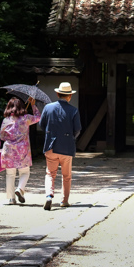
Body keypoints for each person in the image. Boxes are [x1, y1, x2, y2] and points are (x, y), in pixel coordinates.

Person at [39, 82, 81, 210]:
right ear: (69, 96)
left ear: (57, 94)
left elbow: (42, 124)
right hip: (67, 147)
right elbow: (77, 129)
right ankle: (64, 201)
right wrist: (70, 138)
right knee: (66, 175)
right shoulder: (73, 110)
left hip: (51, 145)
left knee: (50, 173)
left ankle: (48, 196)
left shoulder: (48, 108)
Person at [0, 97, 41, 205]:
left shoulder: (6, 120)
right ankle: (20, 189)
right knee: (25, 172)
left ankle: (11, 198)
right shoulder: (26, 118)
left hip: (9, 150)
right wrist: (33, 105)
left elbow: (2, 136)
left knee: (10, 174)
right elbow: (38, 117)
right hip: (23, 150)